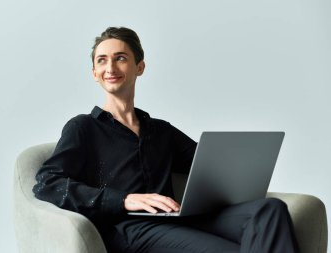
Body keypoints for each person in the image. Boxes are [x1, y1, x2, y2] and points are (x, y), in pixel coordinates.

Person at [33, 27, 299, 253]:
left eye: (120, 58)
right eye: (102, 60)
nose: (110, 67)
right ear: (94, 73)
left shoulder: (159, 130)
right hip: (129, 228)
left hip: (178, 220)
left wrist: (244, 168)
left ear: (140, 67)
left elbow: (207, 165)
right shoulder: (84, 127)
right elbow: (48, 183)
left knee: (270, 210)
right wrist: (124, 199)